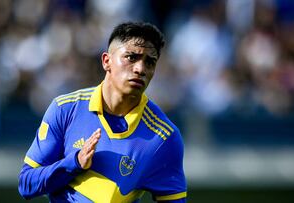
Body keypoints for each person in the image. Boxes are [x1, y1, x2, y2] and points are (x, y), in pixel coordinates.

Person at [18, 22, 187, 203]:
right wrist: (74, 162)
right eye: (131, 57)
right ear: (107, 61)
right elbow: (26, 184)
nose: (140, 69)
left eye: (150, 62)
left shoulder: (164, 137)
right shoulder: (66, 109)